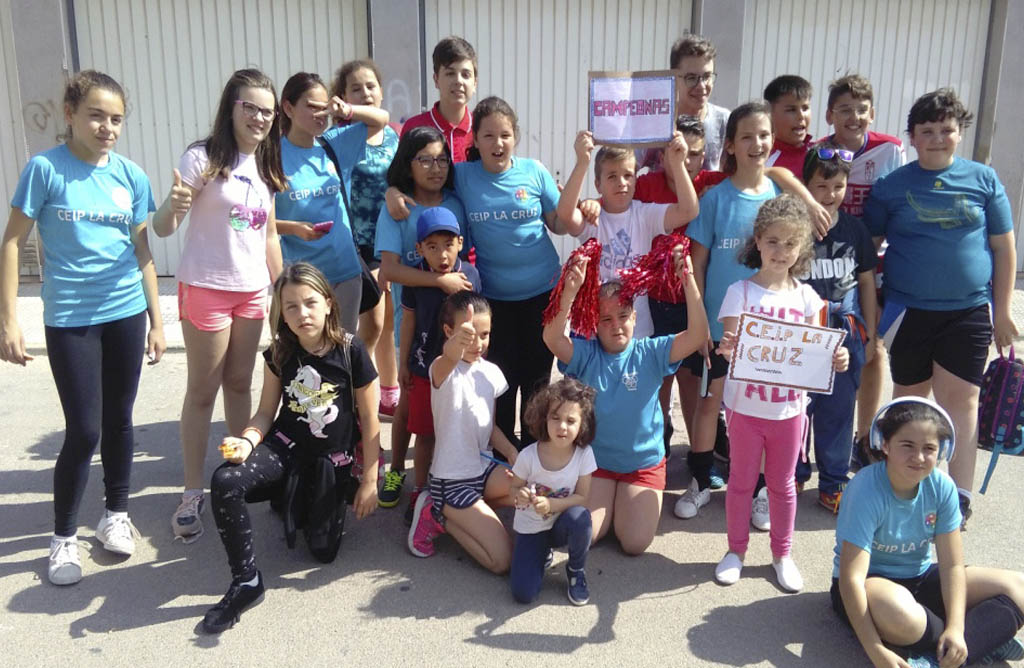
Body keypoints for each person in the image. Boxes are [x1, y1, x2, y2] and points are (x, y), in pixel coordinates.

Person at [0, 70, 164, 585]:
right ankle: (63, 538)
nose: (107, 127)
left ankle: (115, 515)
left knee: (120, 420)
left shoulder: (131, 176)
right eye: (96, 115)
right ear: (70, 114)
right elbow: (11, 242)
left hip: (125, 311)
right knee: (85, 429)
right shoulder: (45, 170)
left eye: (116, 118)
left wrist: (158, 320)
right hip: (70, 316)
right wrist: (8, 319)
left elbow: (143, 251)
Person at [389, 97, 585, 448]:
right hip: (494, 300)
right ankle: (502, 456)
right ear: (474, 141)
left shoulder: (534, 171)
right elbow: (423, 179)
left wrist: (584, 183)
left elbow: (560, 222)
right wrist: (392, 191)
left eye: (506, 135)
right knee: (500, 382)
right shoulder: (462, 176)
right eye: (489, 135)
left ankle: (535, 455)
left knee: (537, 380)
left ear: (516, 137)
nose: (498, 143)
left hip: (543, 294)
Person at [863, 88, 1018, 527]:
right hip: (908, 311)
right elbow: (868, 256)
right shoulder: (891, 188)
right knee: (910, 402)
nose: (937, 138)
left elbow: (1004, 249)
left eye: (946, 130)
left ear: (959, 133)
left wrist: (1003, 311)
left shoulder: (983, 179)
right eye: (927, 131)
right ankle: (902, 490)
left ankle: (959, 497)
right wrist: (871, 312)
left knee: (962, 403)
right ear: (912, 137)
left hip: (967, 311)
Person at [200, 262, 380, 634]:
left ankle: (297, 498)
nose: (302, 314)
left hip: (331, 461)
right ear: (281, 310)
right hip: (285, 448)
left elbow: (371, 420)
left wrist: (370, 481)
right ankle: (247, 582)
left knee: (322, 553)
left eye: (310, 303)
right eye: (291, 306)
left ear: (329, 304)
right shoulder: (280, 352)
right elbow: (267, 413)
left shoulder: (351, 351)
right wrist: (247, 441)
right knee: (225, 481)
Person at [154, 68, 288, 543]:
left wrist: (284, 292)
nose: (258, 117)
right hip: (206, 287)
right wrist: (171, 205)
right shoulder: (203, 158)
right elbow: (165, 227)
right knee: (203, 390)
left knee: (238, 383)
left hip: (252, 291)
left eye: (267, 111)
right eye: (249, 107)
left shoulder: (267, 167)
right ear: (231, 106)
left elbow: (269, 237)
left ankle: (238, 475)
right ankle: (192, 491)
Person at [713, 194, 849, 592]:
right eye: (772, 241)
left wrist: (835, 358)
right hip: (744, 408)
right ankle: (736, 551)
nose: (780, 251)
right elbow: (731, 340)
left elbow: (818, 355)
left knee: (783, 484)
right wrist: (729, 346)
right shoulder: (740, 291)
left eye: (790, 243)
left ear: (802, 248)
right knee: (740, 482)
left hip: (789, 412)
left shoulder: (808, 298)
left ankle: (781, 554)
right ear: (757, 241)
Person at [833, 397, 1024, 667]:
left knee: (1019, 586)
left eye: (929, 448)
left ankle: (951, 651)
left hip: (919, 576)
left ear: (942, 450)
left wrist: (957, 628)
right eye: (907, 445)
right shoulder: (865, 490)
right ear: (884, 444)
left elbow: (952, 565)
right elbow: (851, 580)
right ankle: (984, 638)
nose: (919, 457)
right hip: (870, 586)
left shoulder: (942, 486)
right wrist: (876, 651)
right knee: (900, 615)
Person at [543, 248, 707, 555]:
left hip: (641, 466)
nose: (616, 325)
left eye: (622, 316)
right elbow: (552, 339)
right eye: (605, 319)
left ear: (635, 317)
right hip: (599, 464)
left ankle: (624, 505)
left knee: (633, 544)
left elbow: (697, 335)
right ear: (594, 324)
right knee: (585, 536)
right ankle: (609, 504)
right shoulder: (588, 353)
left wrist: (688, 280)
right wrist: (569, 293)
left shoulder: (651, 352)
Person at [680, 101, 783, 524]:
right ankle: (702, 480)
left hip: (765, 329)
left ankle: (758, 490)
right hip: (721, 329)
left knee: (757, 409)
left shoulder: (779, 198)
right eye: (747, 137)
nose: (756, 143)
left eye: (763, 135)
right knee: (710, 403)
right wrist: (700, 322)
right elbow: (697, 264)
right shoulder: (714, 199)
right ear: (731, 146)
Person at [374, 127, 471, 514]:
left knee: (446, 402)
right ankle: (397, 469)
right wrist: (438, 280)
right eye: (425, 160)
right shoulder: (397, 207)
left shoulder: (456, 202)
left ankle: (438, 477)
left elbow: (466, 251)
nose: (435, 168)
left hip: (453, 324)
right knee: (409, 402)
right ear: (407, 164)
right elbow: (389, 271)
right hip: (413, 318)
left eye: (442, 159)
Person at [822, 74, 906, 457]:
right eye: (844, 110)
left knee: (873, 348)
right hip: (828, 264)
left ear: (872, 113)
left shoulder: (890, 151)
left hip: (873, 264)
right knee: (825, 346)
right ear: (830, 115)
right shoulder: (820, 152)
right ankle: (818, 439)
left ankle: (865, 436)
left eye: (860, 109)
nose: (853, 117)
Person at [406, 291, 519, 572]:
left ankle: (468, 512)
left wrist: (512, 453)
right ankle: (436, 513)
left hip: (483, 468)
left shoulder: (491, 372)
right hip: (452, 479)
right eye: (468, 335)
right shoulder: (442, 369)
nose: (477, 343)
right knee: (501, 561)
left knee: (527, 490)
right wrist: (455, 346)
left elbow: (489, 426)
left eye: (484, 334)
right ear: (448, 332)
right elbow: (448, 356)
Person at [795, 147, 878, 511]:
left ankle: (833, 482)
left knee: (839, 410)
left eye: (838, 186)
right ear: (805, 185)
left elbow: (866, 284)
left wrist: (871, 335)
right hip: (801, 331)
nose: (830, 195)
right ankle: (793, 475)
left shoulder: (855, 230)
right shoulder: (794, 228)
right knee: (798, 408)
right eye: (821, 185)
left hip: (845, 331)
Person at [559, 128, 698, 339]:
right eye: (612, 176)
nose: (621, 182)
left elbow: (688, 211)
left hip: (638, 331)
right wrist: (582, 163)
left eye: (628, 175)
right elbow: (565, 215)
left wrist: (678, 164)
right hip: (597, 332)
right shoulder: (592, 218)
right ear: (598, 184)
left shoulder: (645, 214)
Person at [397, 207, 481, 524]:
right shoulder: (415, 277)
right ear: (419, 249)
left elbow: (480, 322)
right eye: (432, 247)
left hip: (460, 372)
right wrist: (403, 362)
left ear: (460, 243)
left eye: (447, 244)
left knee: (459, 430)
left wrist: (479, 359)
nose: (441, 254)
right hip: (422, 371)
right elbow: (408, 321)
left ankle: (464, 485)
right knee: (425, 434)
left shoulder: (470, 276)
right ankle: (421, 489)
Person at [326, 59, 399, 417]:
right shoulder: (338, 139)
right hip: (353, 245)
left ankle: (387, 389)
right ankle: (359, 389)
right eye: (356, 88)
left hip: (387, 242)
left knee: (385, 325)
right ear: (342, 97)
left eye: (370, 86)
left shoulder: (393, 134)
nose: (365, 92)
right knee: (364, 326)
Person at [275, 72, 366, 332]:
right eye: (312, 107)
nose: (320, 114)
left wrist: (347, 109)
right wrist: (294, 228)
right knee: (306, 358)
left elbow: (380, 120)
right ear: (288, 108)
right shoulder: (271, 156)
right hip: (302, 278)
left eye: (324, 107)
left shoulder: (334, 144)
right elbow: (260, 220)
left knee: (344, 351)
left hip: (346, 271)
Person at [508, 379, 598, 606]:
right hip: (532, 526)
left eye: (571, 420)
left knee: (581, 518)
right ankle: (541, 552)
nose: (562, 427)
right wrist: (520, 495)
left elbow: (582, 497)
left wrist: (551, 505)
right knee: (523, 594)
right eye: (555, 418)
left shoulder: (584, 454)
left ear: (582, 425)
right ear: (543, 418)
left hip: (562, 524)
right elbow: (514, 487)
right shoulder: (528, 455)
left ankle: (576, 569)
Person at [401, 36, 478, 164]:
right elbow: (401, 178)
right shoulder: (414, 128)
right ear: (436, 80)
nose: (458, 81)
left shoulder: (482, 129)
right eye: (450, 73)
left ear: (475, 83)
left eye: (465, 75)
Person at [764, 75, 815, 177]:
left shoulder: (819, 155)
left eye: (805, 108)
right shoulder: (761, 158)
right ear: (769, 113)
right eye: (791, 110)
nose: (801, 116)